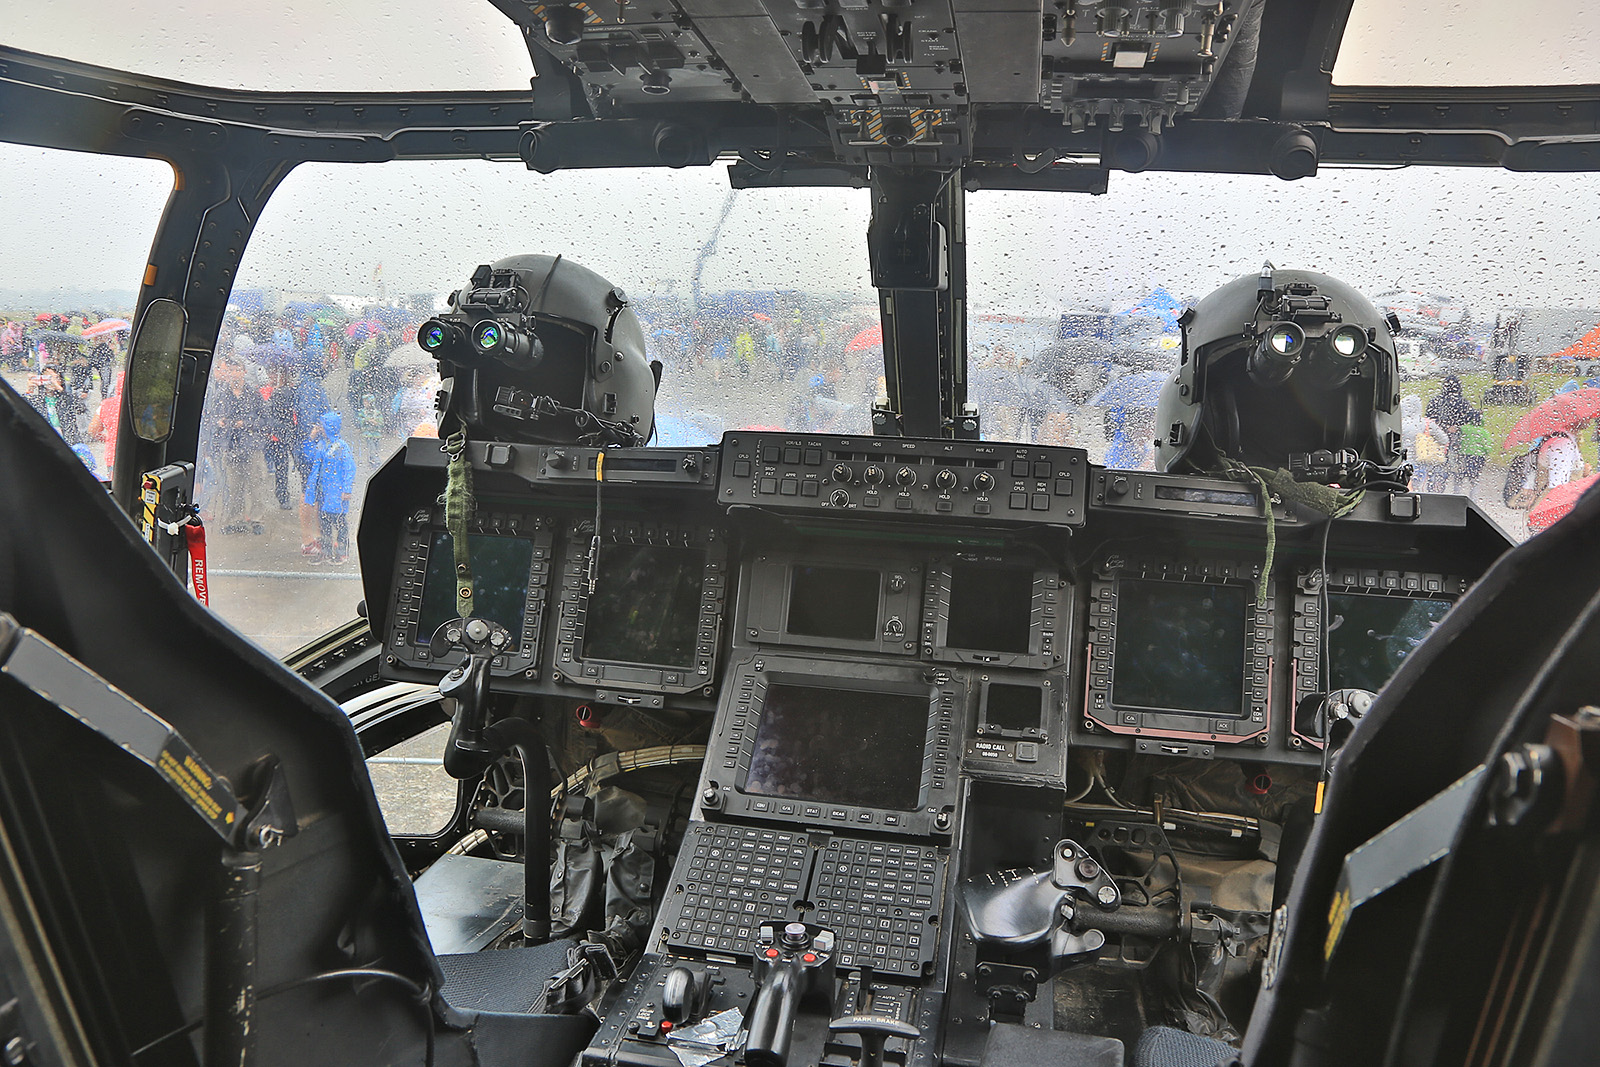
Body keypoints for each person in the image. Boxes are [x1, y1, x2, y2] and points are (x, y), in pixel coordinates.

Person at [303, 411, 356, 564]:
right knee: (324, 522)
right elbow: (308, 456)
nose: (319, 428)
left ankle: (342, 552)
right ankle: (325, 551)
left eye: (322, 425)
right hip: (323, 492)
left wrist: (347, 489)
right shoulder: (321, 444)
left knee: (339, 522)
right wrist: (310, 439)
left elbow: (349, 467)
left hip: (337, 492)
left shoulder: (341, 446)